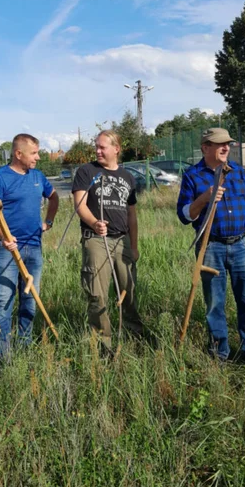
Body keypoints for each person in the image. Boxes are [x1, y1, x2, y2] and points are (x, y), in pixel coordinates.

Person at [177, 128, 245, 367]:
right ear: (205, 147)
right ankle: (220, 354)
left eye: (227, 143)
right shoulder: (192, 175)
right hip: (211, 247)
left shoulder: (238, 172)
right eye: (219, 144)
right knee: (215, 304)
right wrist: (204, 198)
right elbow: (184, 215)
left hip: (244, 245)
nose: (225, 148)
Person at [72, 130, 152, 353]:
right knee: (97, 295)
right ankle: (102, 345)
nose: (97, 151)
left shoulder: (128, 177)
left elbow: (132, 215)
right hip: (97, 240)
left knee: (129, 292)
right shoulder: (87, 171)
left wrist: (134, 246)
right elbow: (80, 205)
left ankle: (135, 338)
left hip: (123, 241)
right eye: (96, 147)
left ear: (116, 149)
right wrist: (94, 222)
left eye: (102, 147)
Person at [0, 134, 59, 357]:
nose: (38, 157)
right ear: (19, 154)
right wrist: (3, 237)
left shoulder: (37, 176)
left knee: (30, 300)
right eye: (34, 153)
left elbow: (54, 197)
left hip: (33, 247)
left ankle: (25, 347)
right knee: (4, 300)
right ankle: (3, 355)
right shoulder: (0, 177)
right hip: (6, 250)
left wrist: (48, 222)